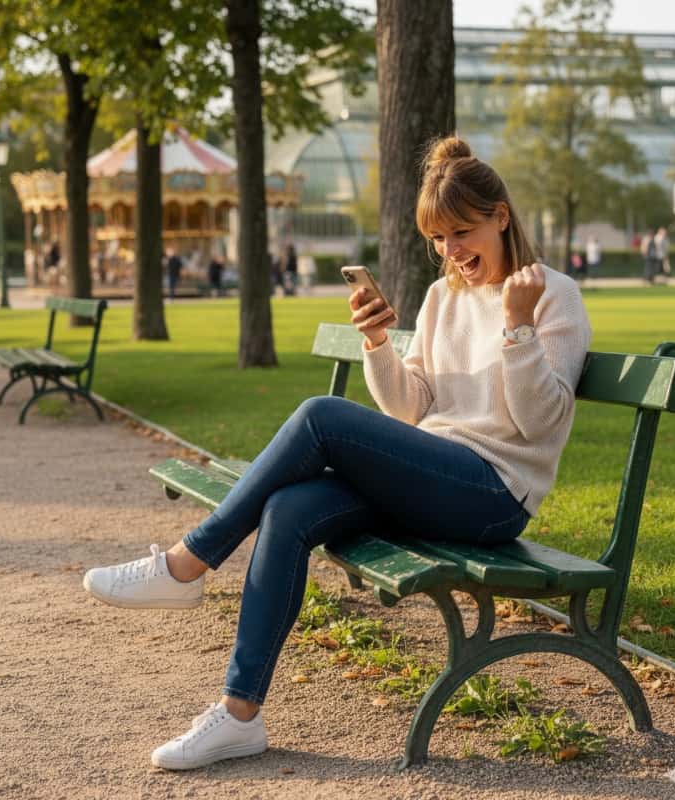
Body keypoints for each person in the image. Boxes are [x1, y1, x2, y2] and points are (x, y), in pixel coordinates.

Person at [81, 135, 592, 771]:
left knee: (320, 416)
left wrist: (517, 326)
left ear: (501, 217)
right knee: (290, 509)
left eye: (463, 233)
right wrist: (377, 343)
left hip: (493, 492)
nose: (451, 251)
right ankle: (240, 715)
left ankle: (187, 564)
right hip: (432, 476)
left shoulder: (553, 295)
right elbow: (409, 409)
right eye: (438, 238)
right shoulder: (443, 299)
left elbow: (540, 423)